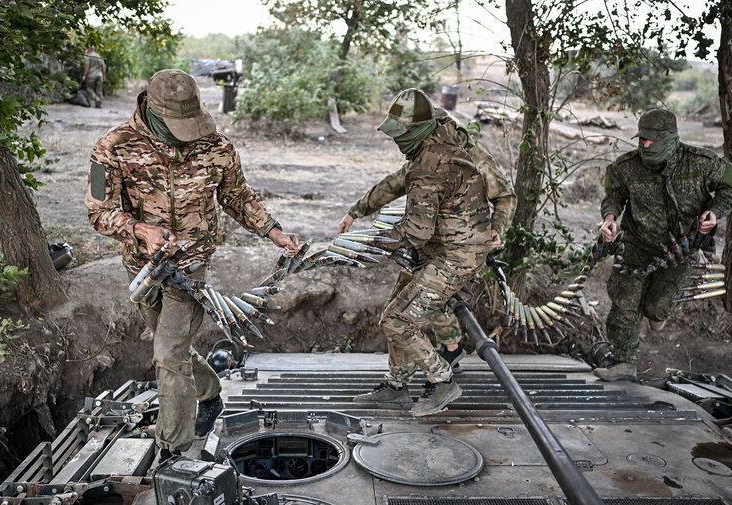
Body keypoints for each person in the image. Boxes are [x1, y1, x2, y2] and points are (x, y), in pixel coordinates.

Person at [85, 69, 299, 461]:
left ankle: (173, 448)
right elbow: (98, 211)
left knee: (168, 354)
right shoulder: (111, 147)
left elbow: (238, 196)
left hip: (191, 268)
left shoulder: (216, 146)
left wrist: (274, 232)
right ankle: (210, 394)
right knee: (173, 350)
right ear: (153, 110)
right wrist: (139, 230)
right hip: (142, 268)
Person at [347, 88, 493, 416]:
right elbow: (398, 190)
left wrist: (371, 243)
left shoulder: (428, 166)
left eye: (401, 134)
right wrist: (360, 213)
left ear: (416, 131)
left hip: (456, 256)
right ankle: (397, 385)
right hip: (443, 249)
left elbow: (416, 232)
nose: (397, 141)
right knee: (394, 312)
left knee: (398, 320)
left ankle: (441, 380)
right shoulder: (435, 147)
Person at [338, 107, 516, 372]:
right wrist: (357, 210)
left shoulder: (471, 157)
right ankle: (407, 376)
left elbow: (505, 197)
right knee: (411, 306)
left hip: (458, 252)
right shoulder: (424, 155)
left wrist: (497, 228)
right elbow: (394, 183)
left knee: (409, 312)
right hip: (431, 249)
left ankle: (446, 361)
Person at [596, 108, 732, 380]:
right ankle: (624, 362)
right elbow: (613, 195)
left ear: (670, 138)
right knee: (624, 304)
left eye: (652, 140)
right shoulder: (625, 166)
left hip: (679, 252)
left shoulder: (700, 162)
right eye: (642, 139)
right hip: (636, 246)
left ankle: (657, 313)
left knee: (656, 308)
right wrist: (610, 217)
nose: (645, 145)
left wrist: (714, 211)